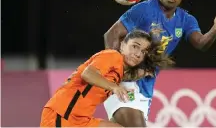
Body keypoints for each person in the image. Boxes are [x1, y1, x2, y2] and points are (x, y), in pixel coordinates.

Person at [103, 0, 216, 127]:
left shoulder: (186, 20)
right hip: (125, 83)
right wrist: (116, 71)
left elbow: (201, 44)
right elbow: (111, 35)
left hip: (146, 87)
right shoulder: (144, 10)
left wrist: (215, 29)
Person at [40, 29, 173, 127]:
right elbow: (87, 74)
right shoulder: (112, 55)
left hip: (82, 120)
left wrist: (145, 71)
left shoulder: (120, 72)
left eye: (143, 52)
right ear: (122, 45)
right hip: (61, 115)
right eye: (134, 46)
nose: (138, 54)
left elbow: (128, 75)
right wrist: (114, 88)